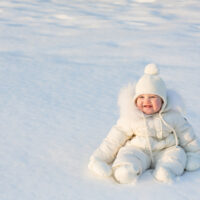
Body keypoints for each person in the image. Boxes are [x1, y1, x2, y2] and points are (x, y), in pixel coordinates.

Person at [88, 64, 200, 184]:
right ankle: (125, 171)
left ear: (163, 100)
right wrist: (99, 159)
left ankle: (166, 169)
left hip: (166, 149)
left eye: (152, 97)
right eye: (141, 97)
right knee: (127, 155)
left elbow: (187, 136)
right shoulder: (131, 118)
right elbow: (113, 140)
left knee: (177, 155)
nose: (146, 101)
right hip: (138, 150)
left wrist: (194, 153)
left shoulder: (173, 116)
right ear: (135, 100)